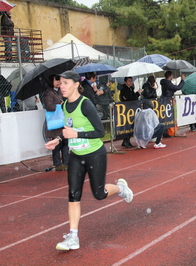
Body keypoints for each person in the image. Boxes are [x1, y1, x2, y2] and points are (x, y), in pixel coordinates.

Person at [44, 70, 133, 251]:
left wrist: (77, 134)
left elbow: (100, 132)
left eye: (65, 83)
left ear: (77, 84)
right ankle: (73, 237)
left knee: (99, 194)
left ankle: (121, 188)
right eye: (60, 83)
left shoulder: (86, 105)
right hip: (76, 155)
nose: (61, 87)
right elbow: (68, 129)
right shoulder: (65, 105)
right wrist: (60, 140)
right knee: (73, 194)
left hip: (94, 154)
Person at [43, 75, 69, 171]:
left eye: (60, 80)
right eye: (56, 80)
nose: (59, 82)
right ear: (51, 80)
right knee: (56, 145)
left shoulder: (58, 91)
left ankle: (66, 163)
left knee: (65, 142)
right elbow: (49, 106)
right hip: (55, 122)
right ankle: (58, 164)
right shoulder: (49, 93)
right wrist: (59, 106)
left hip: (61, 121)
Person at [119, 77, 142, 148]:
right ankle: (126, 141)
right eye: (129, 81)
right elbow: (129, 98)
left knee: (131, 124)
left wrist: (136, 94)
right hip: (126, 109)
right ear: (125, 82)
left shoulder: (131, 88)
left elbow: (132, 97)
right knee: (127, 125)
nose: (130, 82)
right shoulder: (124, 90)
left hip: (131, 109)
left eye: (131, 81)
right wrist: (137, 94)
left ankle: (127, 140)